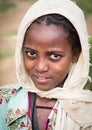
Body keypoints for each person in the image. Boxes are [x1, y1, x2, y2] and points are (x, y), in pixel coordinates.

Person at [0, 0, 92, 129]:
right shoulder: (4, 100)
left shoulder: (87, 111)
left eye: (55, 56)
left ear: (76, 54)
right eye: (31, 53)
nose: (40, 67)